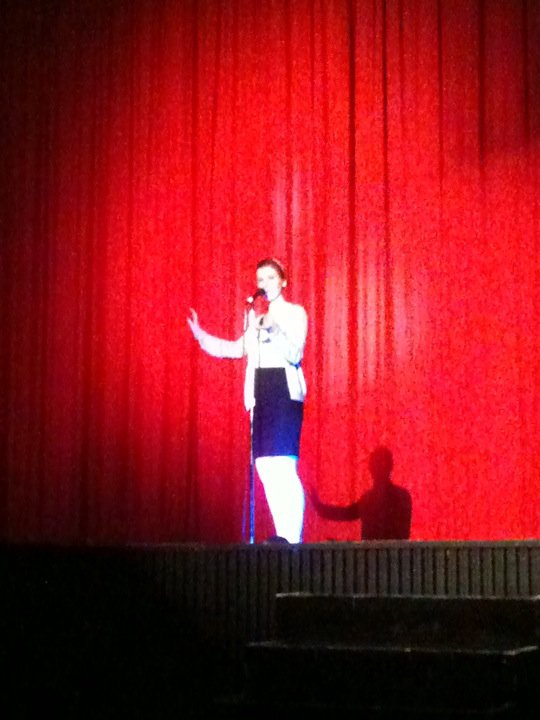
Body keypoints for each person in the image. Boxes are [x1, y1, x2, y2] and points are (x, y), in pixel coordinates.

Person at [187, 257, 308, 544]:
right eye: (260, 280)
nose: (265, 284)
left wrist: (273, 328)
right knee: (265, 466)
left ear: (283, 281)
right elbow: (237, 349)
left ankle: (293, 541)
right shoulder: (254, 319)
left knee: (283, 465)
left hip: (283, 390)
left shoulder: (295, 313)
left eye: (270, 278)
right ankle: (283, 538)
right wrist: (202, 337)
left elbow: (294, 354)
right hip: (259, 393)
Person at [309, 445, 412, 540]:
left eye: (379, 465)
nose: (378, 470)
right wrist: (320, 507)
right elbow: (346, 513)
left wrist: (319, 507)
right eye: (376, 465)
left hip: (377, 553)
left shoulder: (373, 500)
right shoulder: (399, 497)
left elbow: (346, 513)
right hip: (388, 553)